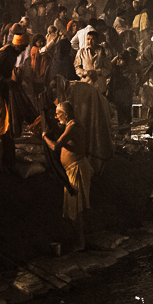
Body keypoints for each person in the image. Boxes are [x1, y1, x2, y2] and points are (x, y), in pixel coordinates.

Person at [43, 101, 92, 252]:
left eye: (58, 115)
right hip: (72, 170)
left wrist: (45, 137)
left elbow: (56, 146)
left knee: (77, 210)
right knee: (73, 208)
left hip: (77, 168)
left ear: (65, 114)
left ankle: (81, 243)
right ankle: (77, 240)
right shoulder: (70, 125)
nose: (57, 118)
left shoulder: (73, 126)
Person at [0, 32, 28, 169]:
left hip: (3, 90)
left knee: (5, 123)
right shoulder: (5, 52)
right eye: (23, 47)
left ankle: (5, 159)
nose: (23, 50)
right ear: (18, 45)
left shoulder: (14, 53)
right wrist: (4, 80)